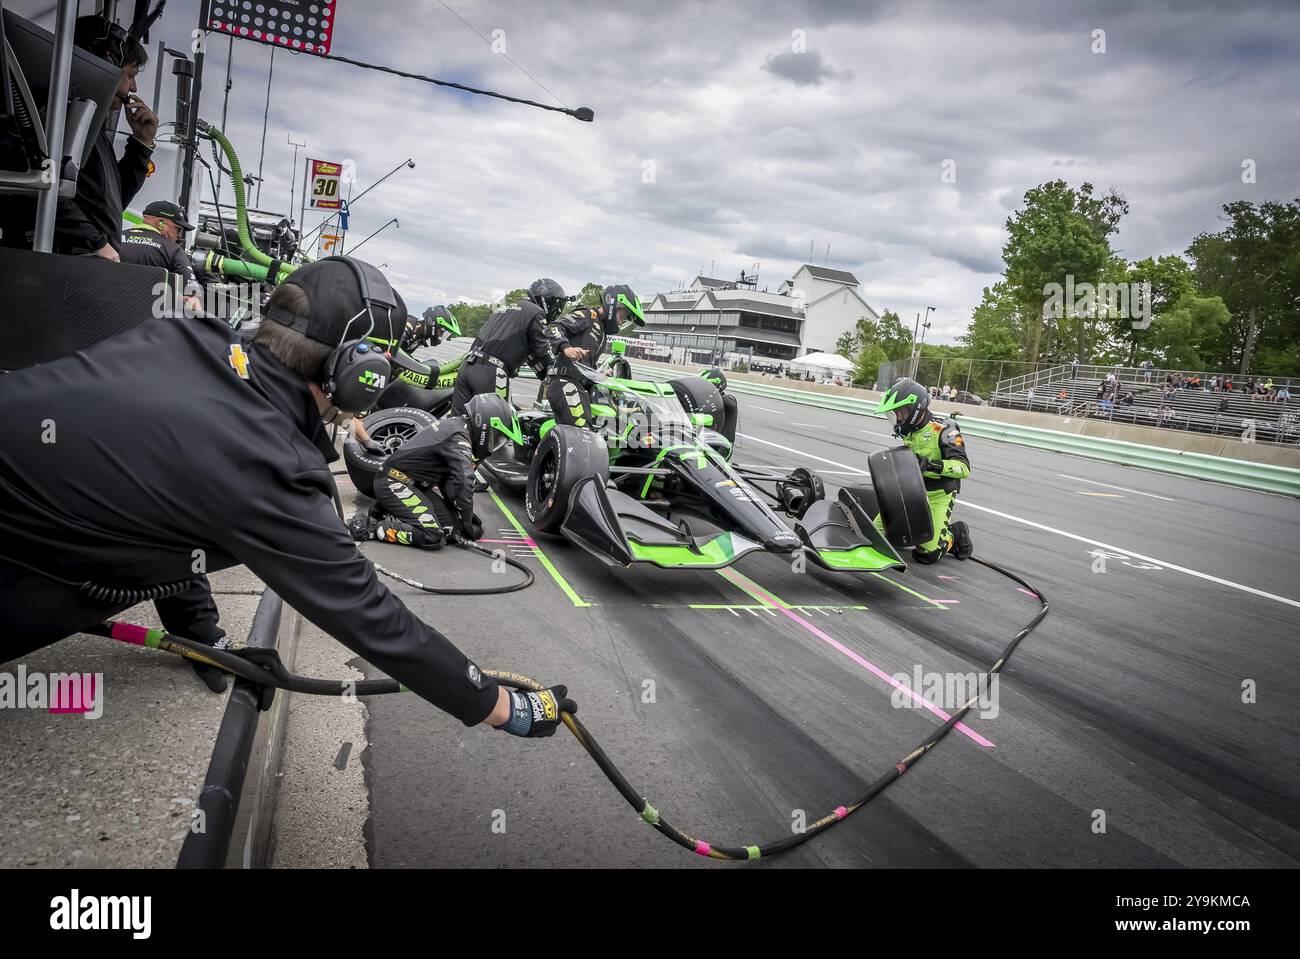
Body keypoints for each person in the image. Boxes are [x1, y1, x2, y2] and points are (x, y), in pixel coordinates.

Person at [0, 256, 574, 738]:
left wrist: (204, 637)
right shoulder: (269, 465)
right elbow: (373, 618)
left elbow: (172, 517)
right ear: (359, 372)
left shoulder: (188, 337)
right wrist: (506, 709)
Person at [350, 394, 519, 549]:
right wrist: (466, 521)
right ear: (484, 425)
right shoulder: (459, 437)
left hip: (412, 485)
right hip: (393, 482)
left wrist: (462, 521)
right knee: (432, 536)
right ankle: (371, 527)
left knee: (451, 529)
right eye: (497, 436)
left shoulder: (459, 427)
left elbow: (450, 484)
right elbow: (463, 482)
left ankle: (386, 511)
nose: (495, 443)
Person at [54, 16, 157, 259]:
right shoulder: (60, 122)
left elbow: (111, 202)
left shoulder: (91, 129)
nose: (133, 88)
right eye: (129, 76)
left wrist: (140, 146)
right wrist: (96, 244)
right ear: (102, 67)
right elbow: (48, 196)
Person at [871, 379, 973, 565]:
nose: (897, 419)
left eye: (900, 413)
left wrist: (930, 465)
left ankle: (955, 534)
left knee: (927, 554)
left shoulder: (944, 429)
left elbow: (964, 468)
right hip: (911, 490)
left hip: (939, 493)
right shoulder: (908, 430)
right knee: (874, 536)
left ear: (915, 409)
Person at [450, 279, 578, 416]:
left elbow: (531, 355)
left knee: (459, 422)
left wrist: (544, 374)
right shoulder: (535, 312)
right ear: (547, 301)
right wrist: (560, 373)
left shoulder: (505, 308)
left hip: (468, 366)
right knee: (496, 427)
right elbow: (542, 350)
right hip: (492, 372)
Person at [544, 284, 644, 428]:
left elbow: (585, 364)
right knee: (583, 433)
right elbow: (553, 327)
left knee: (593, 431)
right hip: (565, 383)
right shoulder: (588, 315)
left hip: (579, 387)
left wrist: (598, 374)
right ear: (615, 304)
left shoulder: (602, 333)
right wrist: (566, 348)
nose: (622, 321)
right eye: (623, 316)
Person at [119, 200, 203, 313]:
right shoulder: (173, 249)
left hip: (107, 318)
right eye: (178, 229)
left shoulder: (112, 240)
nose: (179, 236)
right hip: (149, 325)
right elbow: (193, 304)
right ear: (161, 223)